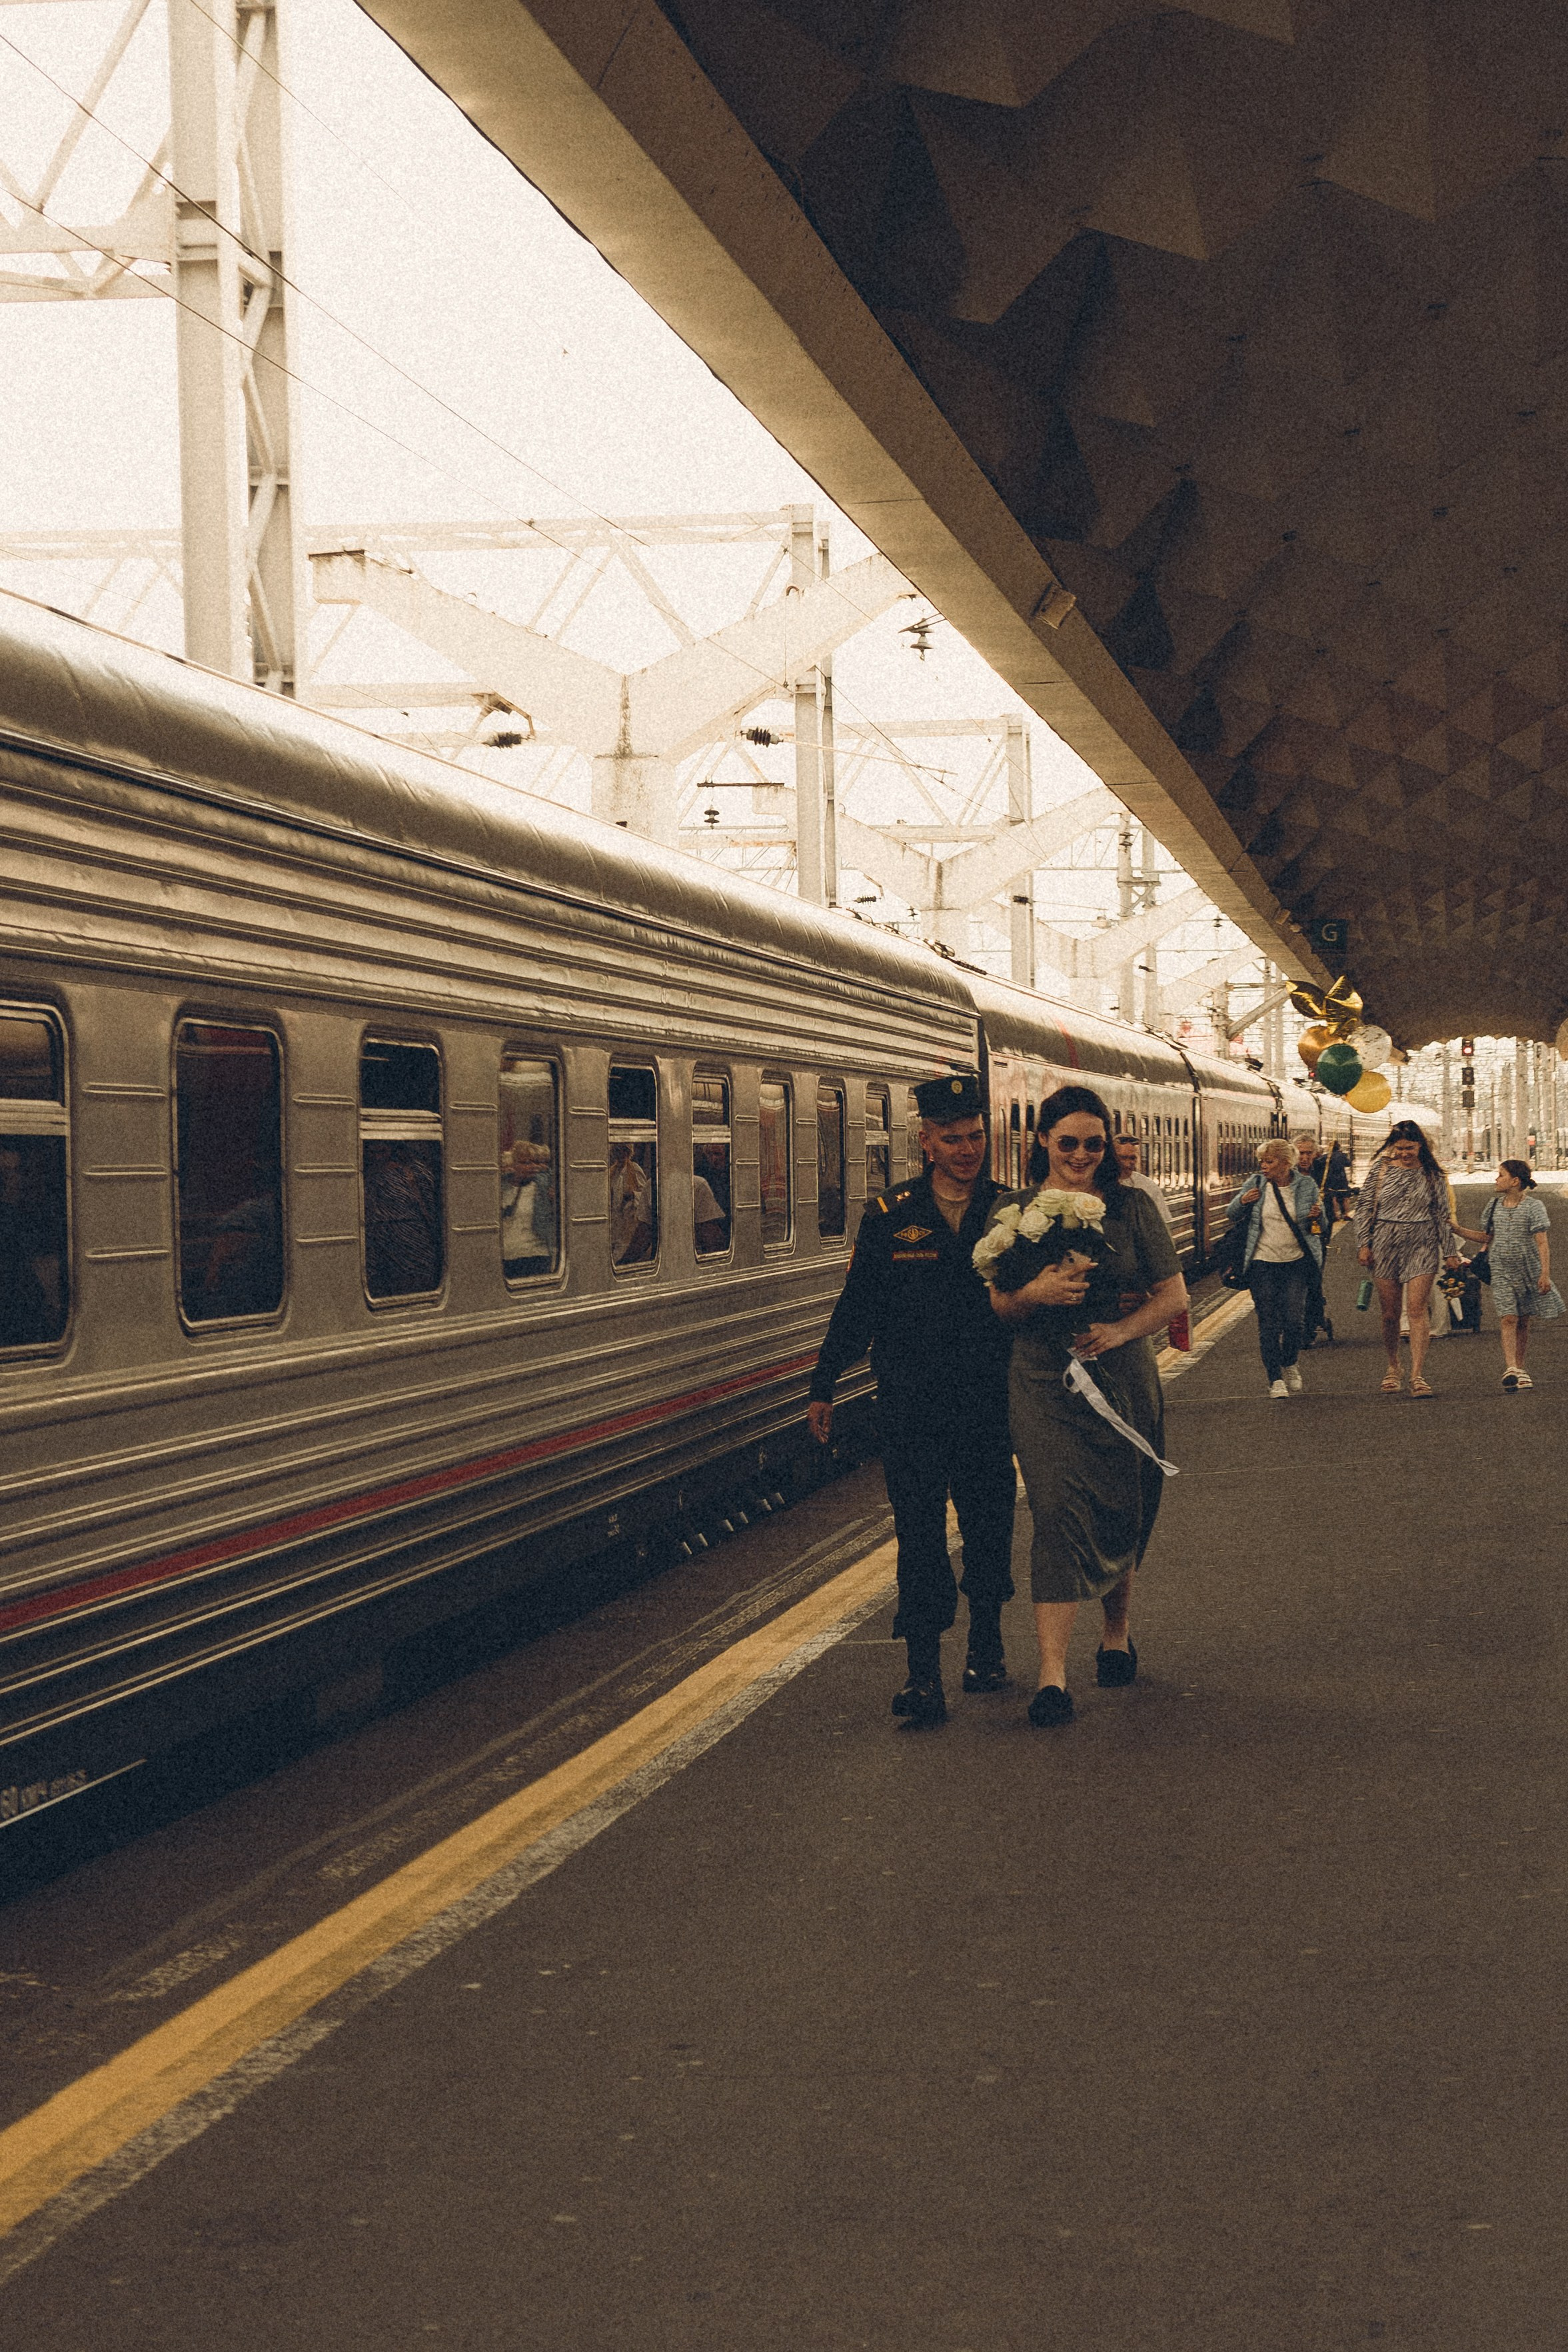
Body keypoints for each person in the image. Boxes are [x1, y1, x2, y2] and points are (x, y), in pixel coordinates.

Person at [807, 1072, 1017, 1727]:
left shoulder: (1012, 1213)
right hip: (912, 1407)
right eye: (952, 1138)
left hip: (988, 1403)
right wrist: (824, 1382)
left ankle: (986, 1645)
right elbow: (858, 1306)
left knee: (989, 1530)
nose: (966, 1149)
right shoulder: (889, 1216)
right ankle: (922, 1673)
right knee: (918, 1537)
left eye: (975, 1137)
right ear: (925, 1142)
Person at [984, 1084, 1187, 1727]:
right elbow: (999, 1305)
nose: (1079, 1154)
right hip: (1042, 1378)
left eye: (1093, 1144)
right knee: (1055, 1510)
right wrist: (1035, 1292)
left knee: (1123, 1501)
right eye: (1066, 1142)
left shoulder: (1131, 1208)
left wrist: (1121, 1332)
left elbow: (1173, 1295)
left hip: (1121, 1375)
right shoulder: (1014, 1209)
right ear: (1040, 1140)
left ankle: (1116, 1632)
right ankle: (1051, 1676)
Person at [1354, 1120, 1459, 1397]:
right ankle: (1393, 1366)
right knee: (1390, 1314)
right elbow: (1364, 1208)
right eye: (1399, 1148)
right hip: (1385, 1242)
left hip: (1422, 1242)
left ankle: (1417, 1375)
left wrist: (1449, 1252)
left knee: (1417, 1309)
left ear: (1421, 1145)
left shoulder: (1432, 1174)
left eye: (1410, 1148)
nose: (1404, 1153)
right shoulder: (1381, 1170)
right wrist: (1363, 1244)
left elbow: (1441, 1214)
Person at [1453, 1158, 1563, 1390]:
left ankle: (1521, 1369)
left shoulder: (1534, 1207)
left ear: (1515, 1181)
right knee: (1508, 1317)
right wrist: (1458, 1229)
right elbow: (1486, 1237)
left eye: (1501, 1175)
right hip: (1501, 1270)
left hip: (1528, 1269)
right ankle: (1511, 1367)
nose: (1496, 1179)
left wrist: (1544, 1273)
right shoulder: (1493, 1206)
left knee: (1523, 1320)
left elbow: (1542, 1243)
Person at [1228, 1138, 1323, 1398]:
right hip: (1262, 1263)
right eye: (1262, 1161)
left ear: (1285, 1163)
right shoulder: (1256, 1183)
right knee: (1269, 1323)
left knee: (1294, 1322)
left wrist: (1318, 1216)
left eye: (1269, 1161)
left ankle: (1290, 1361)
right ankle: (1275, 1380)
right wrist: (1244, 1201)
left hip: (1296, 1262)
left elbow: (1321, 1226)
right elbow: (1231, 1213)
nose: (1263, 1166)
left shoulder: (1306, 1185)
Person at [1112, 1132, 1175, 1227]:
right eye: (1123, 1158)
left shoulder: (1147, 1186)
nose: (1128, 1163)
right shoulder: (1096, 1183)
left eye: (1133, 1158)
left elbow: (1162, 1225)